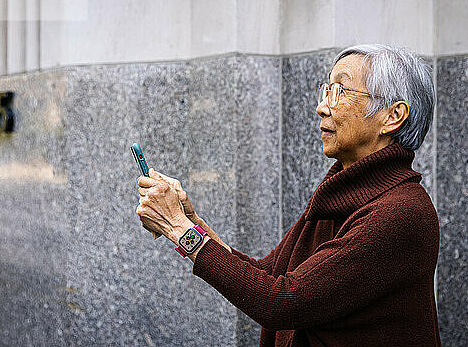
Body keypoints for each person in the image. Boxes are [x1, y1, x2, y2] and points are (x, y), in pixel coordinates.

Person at [136, 44, 441, 346]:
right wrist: (191, 221)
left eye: (341, 92)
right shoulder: (343, 192)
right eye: (326, 90)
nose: (322, 106)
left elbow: (282, 301)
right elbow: (267, 274)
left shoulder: (400, 212)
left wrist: (179, 229)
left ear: (393, 116)